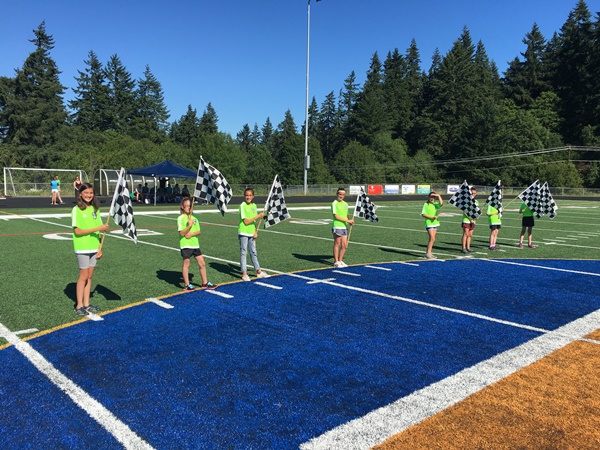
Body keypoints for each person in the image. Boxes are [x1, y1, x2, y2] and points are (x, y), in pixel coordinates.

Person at [71, 183, 109, 316]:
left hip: (94, 247)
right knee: (83, 276)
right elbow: (78, 231)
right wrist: (98, 228)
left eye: (91, 193)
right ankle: (79, 305)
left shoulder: (95, 209)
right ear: (80, 194)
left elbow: (99, 229)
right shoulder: (76, 210)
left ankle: (86, 304)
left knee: (90, 276)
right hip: (82, 247)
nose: (88, 195)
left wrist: (99, 247)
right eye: (86, 193)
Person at [177, 198, 216, 290]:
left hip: (195, 245)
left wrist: (191, 233)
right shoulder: (180, 218)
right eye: (186, 206)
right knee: (187, 264)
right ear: (182, 207)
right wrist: (189, 226)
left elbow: (198, 232)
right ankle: (186, 284)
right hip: (186, 245)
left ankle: (205, 282)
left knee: (202, 263)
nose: (188, 208)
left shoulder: (195, 219)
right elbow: (182, 233)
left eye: (190, 206)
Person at [239, 188, 270, 281]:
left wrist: (255, 231)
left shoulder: (254, 206)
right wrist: (258, 216)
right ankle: (244, 273)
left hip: (251, 233)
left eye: (250, 195)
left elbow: (254, 222)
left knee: (253, 252)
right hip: (243, 232)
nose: (248, 197)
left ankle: (259, 272)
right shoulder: (242, 205)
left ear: (253, 196)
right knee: (244, 252)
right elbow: (246, 221)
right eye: (246, 195)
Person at [331, 187, 354, 268]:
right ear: (337, 194)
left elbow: (346, 215)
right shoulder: (334, 203)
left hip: (344, 227)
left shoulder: (345, 204)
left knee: (344, 245)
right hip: (337, 226)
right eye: (340, 194)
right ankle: (336, 261)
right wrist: (347, 221)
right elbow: (336, 216)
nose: (341, 196)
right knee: (337, 244)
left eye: (343, 194)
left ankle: (340, 261)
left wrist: (349, 220)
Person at [421, 192, 443, 259]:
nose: (432, 198)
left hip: (435, 223)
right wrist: (431, 217)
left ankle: (429, 253)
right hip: (429, 223)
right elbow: (423, 214)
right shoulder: (426, 204)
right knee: (432, 238)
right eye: (431, 197)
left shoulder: (435, 204)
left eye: (434, 197)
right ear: (428, 197)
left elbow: (441, 204)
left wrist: (439, 196)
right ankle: (428, 253)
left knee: (433, 239)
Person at [460, 187, 478, 254]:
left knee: (470, 235)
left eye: (474, 193)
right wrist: (470, 219)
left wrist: (477, 216)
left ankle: (468, 247)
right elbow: (465, 211)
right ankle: (463, 248)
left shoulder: (476, 202)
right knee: (465, 234)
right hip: (466, 220)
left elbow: (476, 211)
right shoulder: (466, 201)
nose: (473, 194)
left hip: (473, 221)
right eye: (472, 193)